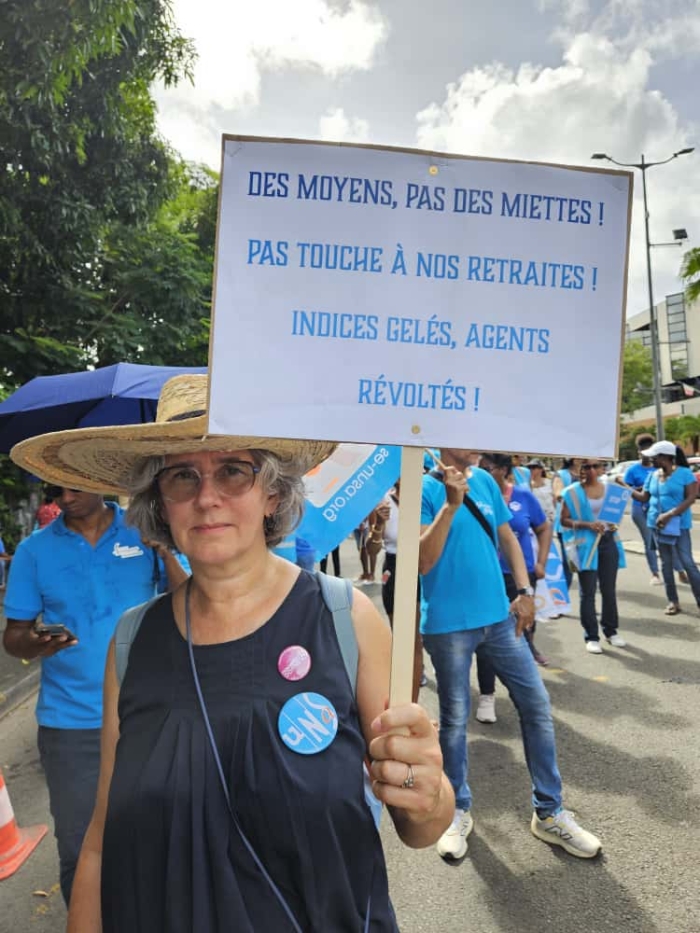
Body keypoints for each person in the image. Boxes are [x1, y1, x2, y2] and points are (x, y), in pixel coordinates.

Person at [6, 374, 454, 931]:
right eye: (182, 476)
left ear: (272, 492)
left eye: (233, 471)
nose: (207, 496)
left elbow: (419, 827)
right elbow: (101, 841)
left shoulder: (346, 619)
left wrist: (427, 795)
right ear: (159, 503)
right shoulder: (131, 642)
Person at [2, 486, 189, 906]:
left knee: (158, 835)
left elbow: (191, 604)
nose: (64, 498)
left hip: (150, 714)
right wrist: (37, 642)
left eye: (72, 487)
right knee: (81, 845)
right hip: (71, 726)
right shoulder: (34, 552)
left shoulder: (143, 532)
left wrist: (165, 553)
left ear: (94, 481)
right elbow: (13, 636)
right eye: (54, 491)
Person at [419, 447, 601, 861]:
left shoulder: (484, 480)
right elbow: (424, 561)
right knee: (453, 721)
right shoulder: (423, 487)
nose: (479, 443)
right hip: (448, 626)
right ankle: (456, 810)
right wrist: (450, 505)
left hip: (499, 618)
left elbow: (507, 539)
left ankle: (550, 813)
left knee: (536, 705)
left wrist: (523, 591)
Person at [475, 453, 553, 722]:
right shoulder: (473, 495)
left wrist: (541, 561)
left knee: (523, 630)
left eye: (488, 468)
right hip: (487, 577)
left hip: (520, 578)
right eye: (479, 467)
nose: (481, 471)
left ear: (504, 470)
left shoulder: (523, 496)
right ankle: (487, 695)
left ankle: (526, 695)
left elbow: (544, 527)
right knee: (487, 637)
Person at [560, 460, 627, 653]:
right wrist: (587, 525)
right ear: (580, 469)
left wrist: (613, 524)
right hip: (583, 545)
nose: (591, 470)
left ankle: (611, 631)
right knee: (587, 592)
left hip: (608, 542)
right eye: (586, 466)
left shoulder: (611, 490)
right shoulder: (571, 492)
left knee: (609, 589)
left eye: (595, 466)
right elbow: (563, 520)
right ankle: (591, 635)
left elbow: (616, 515)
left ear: (602, 468)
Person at [633, 440, 700, 615]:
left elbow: (691, 498)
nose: (651, 460)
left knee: (688, 563)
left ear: (665, 457)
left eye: (654, 457)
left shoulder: (685, 474)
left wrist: (670, 514)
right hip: (657, 526)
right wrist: (623, 488)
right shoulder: (652, 476)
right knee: (666, 563)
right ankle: (673, 601)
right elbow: (643, 498)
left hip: (679, 526)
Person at [373, 481, 425, 701]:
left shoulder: (426, 498)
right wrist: (378, 523)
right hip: (393, 568)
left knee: (415, 638)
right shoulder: (382, 503)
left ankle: (413, 696)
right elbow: (371, 548)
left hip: (421, 566)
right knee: (402, 636)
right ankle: (404, 697)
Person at [552, 458, 578, 590]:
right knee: (571, 563)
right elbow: (558, 494)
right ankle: (562, 599)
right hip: (568, 526)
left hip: (588, 525)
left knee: (588, 566)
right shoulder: (561, 474)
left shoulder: (590, 472)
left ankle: (587, 604)